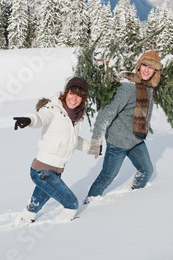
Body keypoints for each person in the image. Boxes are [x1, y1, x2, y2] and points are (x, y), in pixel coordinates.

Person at [85, 50, 162, 203]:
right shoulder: (127, 88)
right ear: (139, 66)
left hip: (136, 139)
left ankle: (134, 197)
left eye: (151, 67)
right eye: (144, 65)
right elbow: (105, 114)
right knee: (107, 177)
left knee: (147, 171)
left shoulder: (149, 87)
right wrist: (96, 139)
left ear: (156, 71)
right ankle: (89, 204)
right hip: (118, 142)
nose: (147, 70)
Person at [13, 77, 90, 225]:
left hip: (56, 171)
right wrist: (29, 120)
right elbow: (41, 118)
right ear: (66, 93)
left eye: (79, 95)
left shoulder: (77, 116)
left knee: (39, 200)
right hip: (42, 171)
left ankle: (26, 218)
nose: (74, 98)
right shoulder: (53, 109)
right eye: (71, 93)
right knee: (71, 204)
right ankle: (63, 227)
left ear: (83, 98)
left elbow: (73, 139)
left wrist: (90, 148)